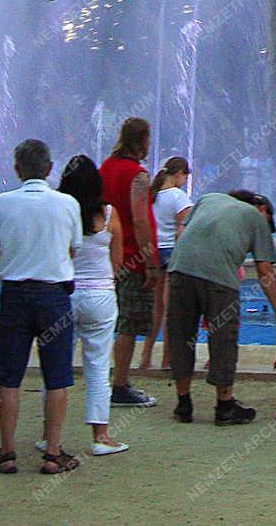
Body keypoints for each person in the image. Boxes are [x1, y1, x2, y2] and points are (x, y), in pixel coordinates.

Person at [0, 139, 83, 475]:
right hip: (54, 295)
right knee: (58, 377)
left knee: (9, 377)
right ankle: (53, 453)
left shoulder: (1, 203)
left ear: (17, 170)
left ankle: (8, 452)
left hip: (14, 294)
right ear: (49, 169)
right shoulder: (67, 204)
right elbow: (74, 248)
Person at [167, 187, 276, 425]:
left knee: (181, 335)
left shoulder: (207, 198)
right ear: (263, 208)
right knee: (223, 338)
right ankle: (225, 405)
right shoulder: (256, 217)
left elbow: (181, 235)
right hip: (219, 279)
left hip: (180, 270)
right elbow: (265, 272)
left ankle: (183, 403)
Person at [58, 155, 129, 455]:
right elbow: (119, 262)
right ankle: (101, 436)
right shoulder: (110, 215)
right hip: (100, 296)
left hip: (66, 294)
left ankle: (50, 437)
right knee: (99, 366)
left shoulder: (60, 212)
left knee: (56, 365)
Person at [100, 117, 159, 407]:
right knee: (129, 323)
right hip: (132, 257)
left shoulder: (106, 167)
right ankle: (120, 385)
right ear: (143, 140)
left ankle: (107, 380)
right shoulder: (137, 175)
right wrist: (149, 261)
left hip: (108, 254)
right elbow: (139, 219)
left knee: (113, 319)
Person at [140, 156, 191, 372]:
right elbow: (183, 230)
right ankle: (167, 359)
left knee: (156, 309)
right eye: (185, 176)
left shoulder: (152, 196)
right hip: (171, 252)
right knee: (171, 308)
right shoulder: (179, 198)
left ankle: (145, 356)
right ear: (179, 174)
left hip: (153, 252)